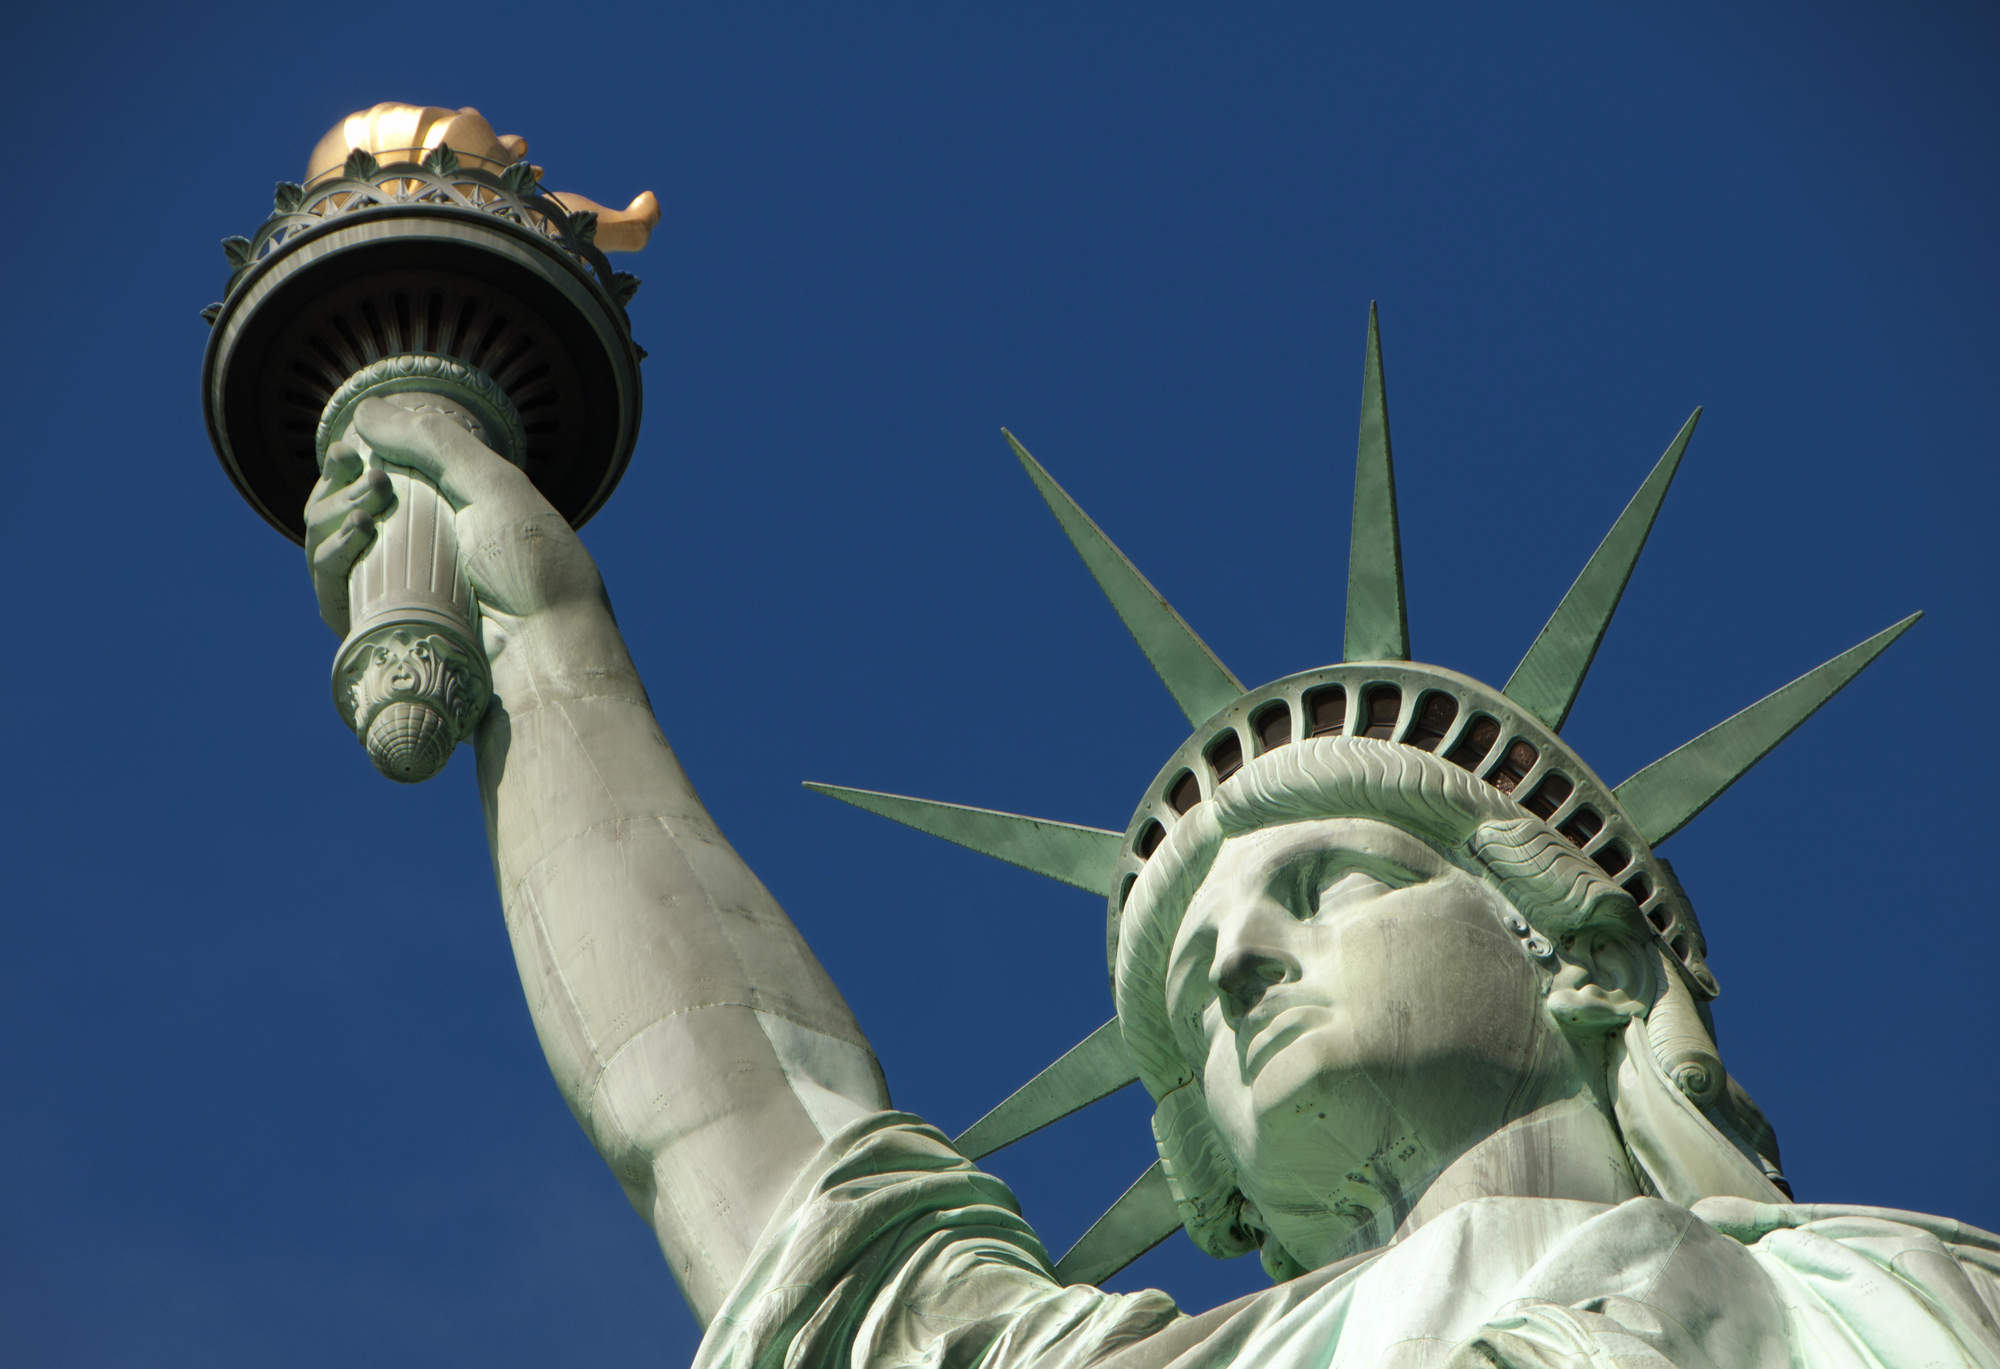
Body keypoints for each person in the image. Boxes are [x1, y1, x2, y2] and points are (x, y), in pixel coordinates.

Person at [306, 394, 2000, 1368]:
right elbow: (757, 1159)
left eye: (1325, 881)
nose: (1246, 959)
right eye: (1191, 983)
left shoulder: (1910, 1298)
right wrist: (553, 653)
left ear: (1579, 959)